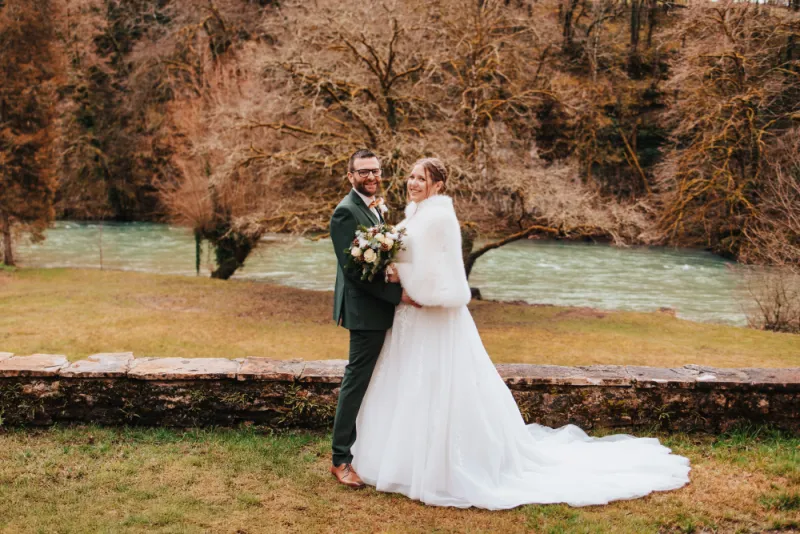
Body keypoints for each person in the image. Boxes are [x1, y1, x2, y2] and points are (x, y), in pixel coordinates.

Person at [348, 156, 691, 509]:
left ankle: (441, 466)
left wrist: (405, 284)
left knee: (437, 385)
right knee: (410, 384)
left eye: (421, 178)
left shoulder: (439, 217)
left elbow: (446, 275)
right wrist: (392, 269)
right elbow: (416, 259)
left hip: (430, 315)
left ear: (438, 185)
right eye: (411, 176)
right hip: (410, 317)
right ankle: (404, 458)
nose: (413, 182)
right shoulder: (416, 213)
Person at [328, 149, 419, 488]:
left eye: (376, 171)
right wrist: (399, 295)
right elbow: (353, 272)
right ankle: (340, 459)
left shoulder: (375, 207)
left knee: (373, 379)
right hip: (365, 311)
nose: (371, 176)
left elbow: (377, 258)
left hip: (378, 307)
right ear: (350, 175)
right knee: (356, 381)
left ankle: (370, 448)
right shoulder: (345, 213)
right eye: (363, 172)